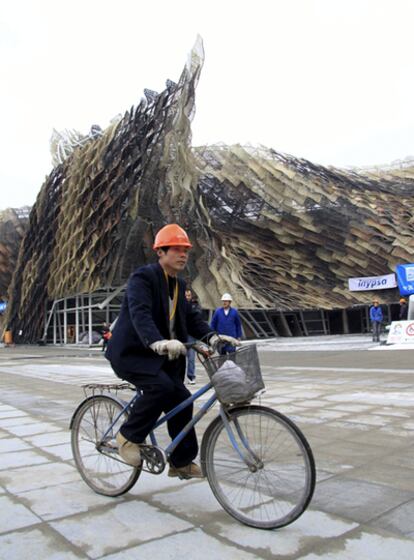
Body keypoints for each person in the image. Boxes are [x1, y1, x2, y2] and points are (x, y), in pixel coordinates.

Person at [105, 224, 239, 477]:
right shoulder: (142, 279)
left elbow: (191, 319)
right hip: (132, 354)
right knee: (161, 388)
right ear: (160, 252)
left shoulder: (178, 286)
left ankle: (180, 462)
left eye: (185, 250)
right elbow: (139, 313)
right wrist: (157, 341)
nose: (183, 255)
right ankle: (127, 436)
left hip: (159, 358)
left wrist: (213, 337)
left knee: (182, 399)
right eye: (176, 249)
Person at [185, 288, 201, 385]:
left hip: (191, 335)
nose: (187, 297)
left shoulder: (195, 306)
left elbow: (197, 317)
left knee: (191, 357)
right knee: (179, 358)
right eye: (186, 296)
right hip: (181, 334)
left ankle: (191, 376)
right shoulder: (178, 305)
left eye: (189, 295)